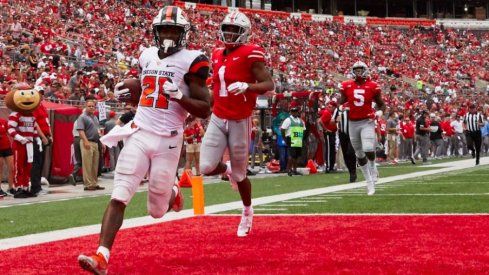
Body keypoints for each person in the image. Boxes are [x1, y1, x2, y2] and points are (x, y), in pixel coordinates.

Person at [78, 6, 211, 274]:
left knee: (157, 211)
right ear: (156, 33)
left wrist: (180, 97)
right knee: (119, 194)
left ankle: (172, 192)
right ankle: (102, 256)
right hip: (139, 132)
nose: (169, 35)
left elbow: (205, 108)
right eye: (165, 30)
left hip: (169, 141)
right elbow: (146, 94)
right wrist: (128, 94)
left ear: (184, 33)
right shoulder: (146, 55)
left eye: (174, 29)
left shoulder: (193, 60)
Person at [199, 10, 275, 237]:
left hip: (240, 120)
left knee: (241, 176)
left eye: (235, 30)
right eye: (227, 29)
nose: (230, 33)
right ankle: (228, 168)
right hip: (218, 117)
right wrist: (198, 107)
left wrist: (247, 86)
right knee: (206, 166)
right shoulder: (216, 53)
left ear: (244, 33)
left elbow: (268, 84)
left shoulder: (251, 53)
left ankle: (247, 211)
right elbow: (215, 88)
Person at [337, 61, 386, 195]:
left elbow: (382, 104)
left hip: (367, 121)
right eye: (356, 70)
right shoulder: (346, 85)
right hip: (353, 123)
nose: (358, 72)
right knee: (358, 153)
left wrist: (379, 112)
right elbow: (340, 101)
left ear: (365, 71)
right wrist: (340, 106)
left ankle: (372, 166)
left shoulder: (373, 86)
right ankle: (369, 181)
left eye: (360, 70)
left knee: (368, 148)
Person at [75, 100, 103, 191]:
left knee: (95, 164)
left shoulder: (95, 117)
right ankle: (88, 184)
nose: (91, 107)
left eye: (93, 106)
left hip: (95, 142)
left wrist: (101, 142)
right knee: (87, 164)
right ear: (85, 107)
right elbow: (80, 130)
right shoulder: (82, 117)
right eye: (89, 106)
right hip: (87, 141)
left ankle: (94, 183)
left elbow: (98, 130)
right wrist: (85, 141)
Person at [333, 105, 357, 182]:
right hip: (343, 134)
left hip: (353, 133)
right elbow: (332, 121)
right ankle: (351, 172)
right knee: (345, 154)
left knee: (350, 152)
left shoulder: (354, 105)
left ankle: (353, 170)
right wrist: (336, 120)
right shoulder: (339, 109)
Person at [281, 106, 305, 176]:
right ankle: (288, 170)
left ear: (298, 112)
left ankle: (295, 170)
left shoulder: (301, 121)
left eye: (296, 112)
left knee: (297, 156)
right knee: (291, 155)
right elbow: (282, 129)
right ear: (291, 112)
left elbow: (303, 129)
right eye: (293, 112)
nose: (294, 113)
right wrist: (285, 139)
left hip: (298, 139)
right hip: (291, 138)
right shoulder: (288, 120)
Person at [318, 100, 338, 173]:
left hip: (332, 132)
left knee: (332, 150)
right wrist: (326, 129)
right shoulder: (327, 113)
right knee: (329, 150)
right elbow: (320, 121)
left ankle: (331, 166)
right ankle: (328, 167)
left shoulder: (329, 113)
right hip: (328, 133)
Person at [0, 118, 14, 197]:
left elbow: (10, 132)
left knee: (11, 168)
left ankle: (10, 188)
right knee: (0, 169)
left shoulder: (3, 121)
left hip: (7, 147)